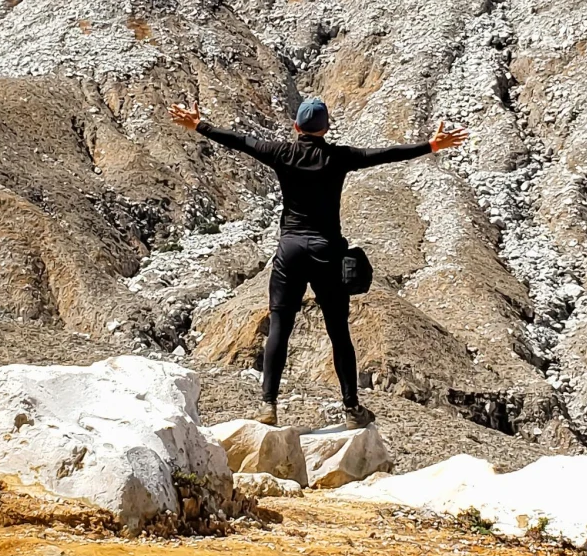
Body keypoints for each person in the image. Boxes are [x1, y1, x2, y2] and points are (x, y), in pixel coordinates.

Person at [169, 95, 467, 428]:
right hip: (327, 251)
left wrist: (198, 125)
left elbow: (240, 141)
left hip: (291, 249)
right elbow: (384, 155)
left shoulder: (281, 152)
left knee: (280, 327)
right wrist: (430, 145)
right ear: (326, 128)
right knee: (339, 333)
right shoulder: (338, 157)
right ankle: (352, 409)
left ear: (296, 126)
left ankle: (268, 406)